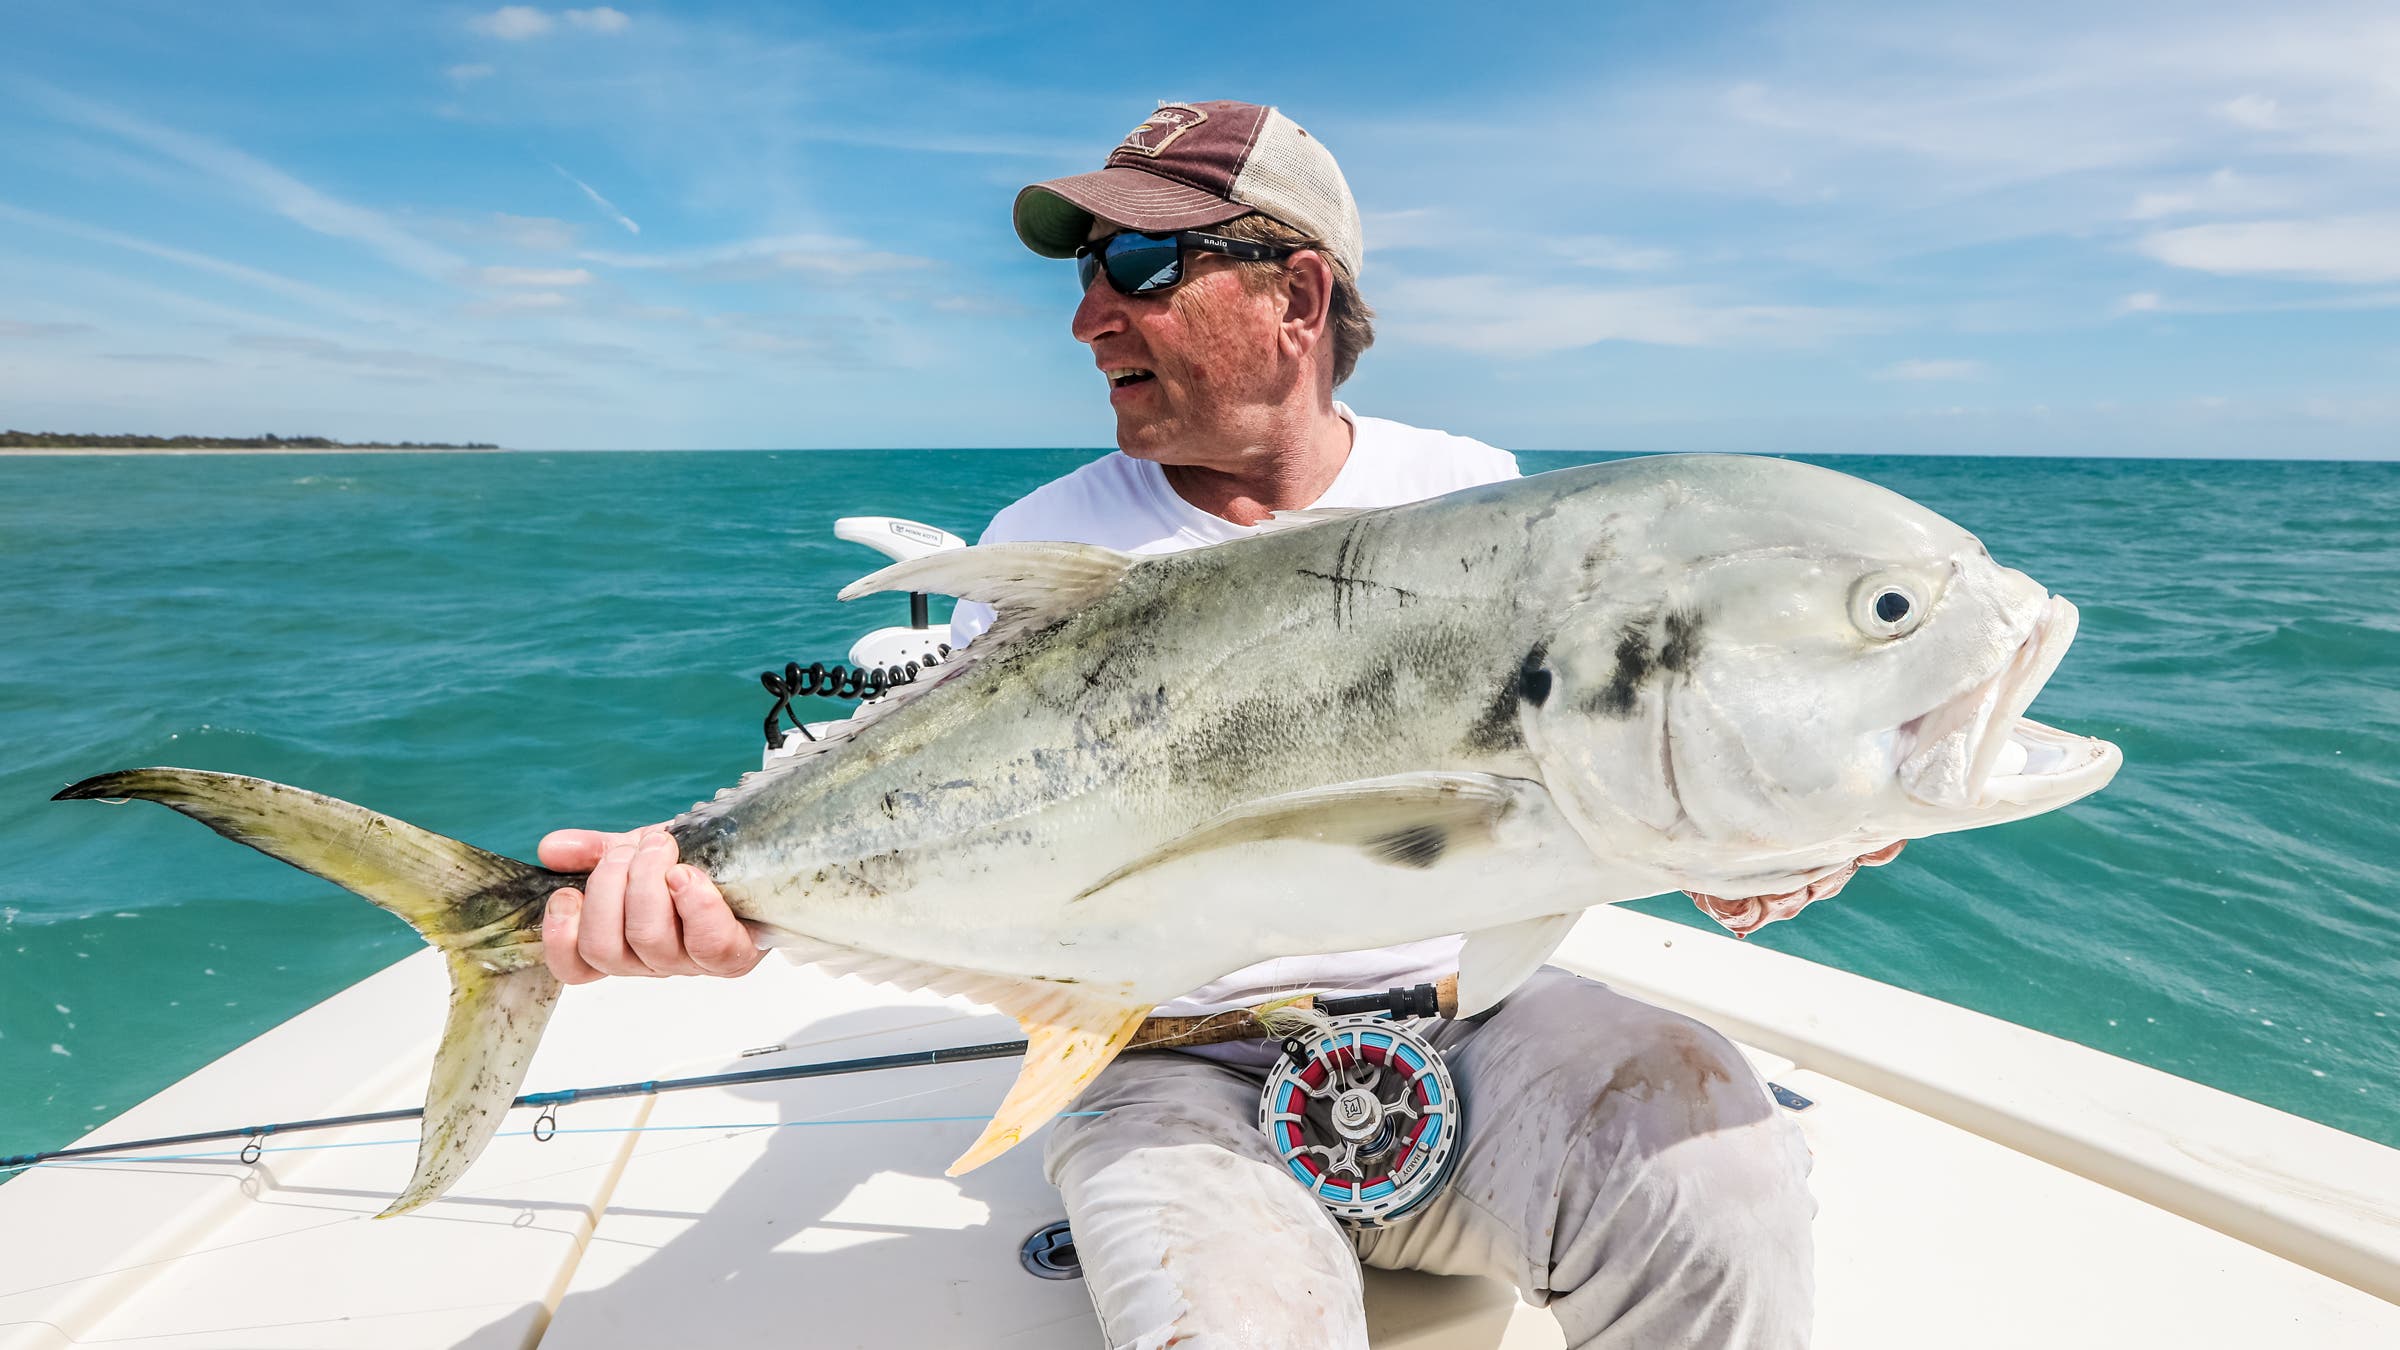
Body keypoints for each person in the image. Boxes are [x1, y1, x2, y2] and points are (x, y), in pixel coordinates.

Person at [540, 100, 1822, 1349]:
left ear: (1298, 298)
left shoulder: (1470, 497)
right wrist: (717, 887)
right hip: (1165, 1066)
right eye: (1090, 273)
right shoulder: (1048, 544)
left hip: (1474, 1021)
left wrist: (1748, 857)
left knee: (1727, 1168)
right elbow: (957, 820)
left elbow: (1579, 791)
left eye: (1143, 265)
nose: (1092, 316)